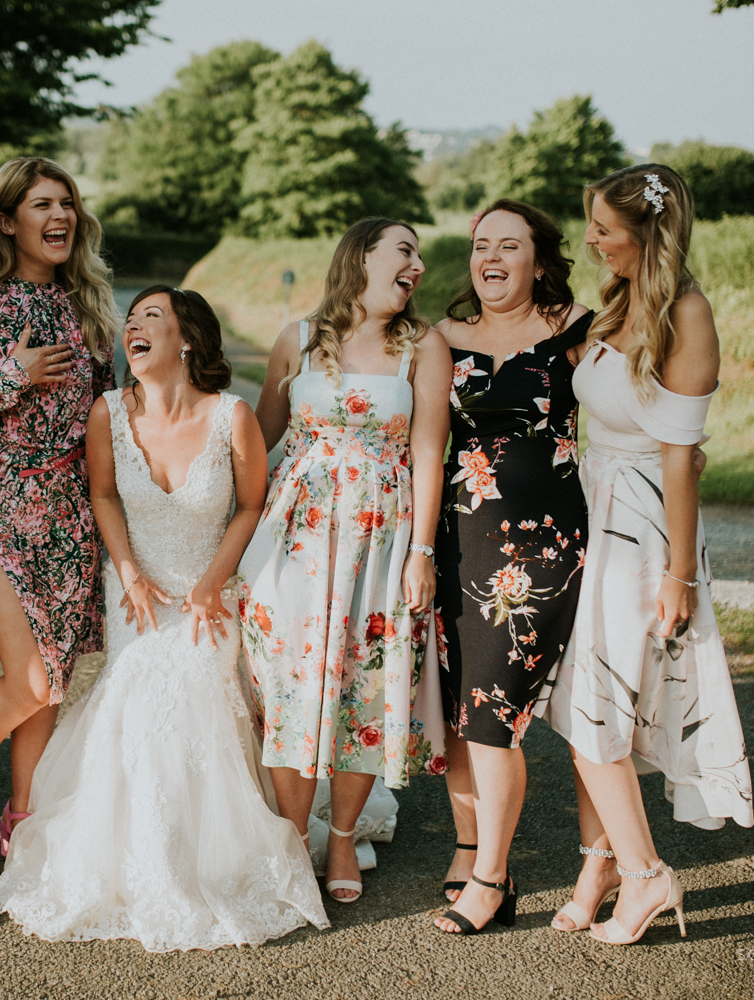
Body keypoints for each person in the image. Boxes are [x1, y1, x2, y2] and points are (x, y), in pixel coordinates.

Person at [0, 286, 329, 950]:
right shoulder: (107, 411)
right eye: (130, 321)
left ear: (186, 339)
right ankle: (137, 859)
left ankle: (216, 863)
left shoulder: (233, 417)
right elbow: (104, 492)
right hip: (135, 586)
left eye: (151, 319)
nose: (132, 329)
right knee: (137, 698)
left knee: (202, 692)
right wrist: (131, 571)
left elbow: (251, 506)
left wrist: (211, 582)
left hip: (209, 587)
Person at [538, 164, 754, 945]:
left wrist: (678, 574)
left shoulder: (686, 315)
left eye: (602, 227)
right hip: (592, 510)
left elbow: (679, 459)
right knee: (582, 708)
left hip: (641, 532)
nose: (591, 239)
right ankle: (599, 863)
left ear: (647, 231)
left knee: (597, 707)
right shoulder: (618, 304)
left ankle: (646, 876)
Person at [238, 217, 452, 904]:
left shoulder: (424, 347)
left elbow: (427, 453)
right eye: (405, 251)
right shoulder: (297, 340)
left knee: (367, 685)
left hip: (382, 538)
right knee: (288, 685)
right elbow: (255, 439)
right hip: (293, 538)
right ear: (362, 257)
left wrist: (421, 552)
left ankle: (342, 837)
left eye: (418, 255)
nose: (416, 265)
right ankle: (292, 836)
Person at [0, 157, 118, 854]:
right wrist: (15, 374)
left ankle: (27, 813)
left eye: (66, 202)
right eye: (41, 205)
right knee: (30, 673)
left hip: (72, 509)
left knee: (52, 677)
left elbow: (111, 413)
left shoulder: (90, 304)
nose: (60, 216)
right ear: (6, 220)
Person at [429, 200, 592, 934]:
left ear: (537, 258)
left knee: (496, 715)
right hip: (457, 544)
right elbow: (424, 448)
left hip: (541, 550)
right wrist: (414, 551)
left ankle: (492, 881)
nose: (490, 257)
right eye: (479, 245)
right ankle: (476, 855)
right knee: (464, 711)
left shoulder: (580, 330)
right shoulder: (445, 338)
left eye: (508, 245)